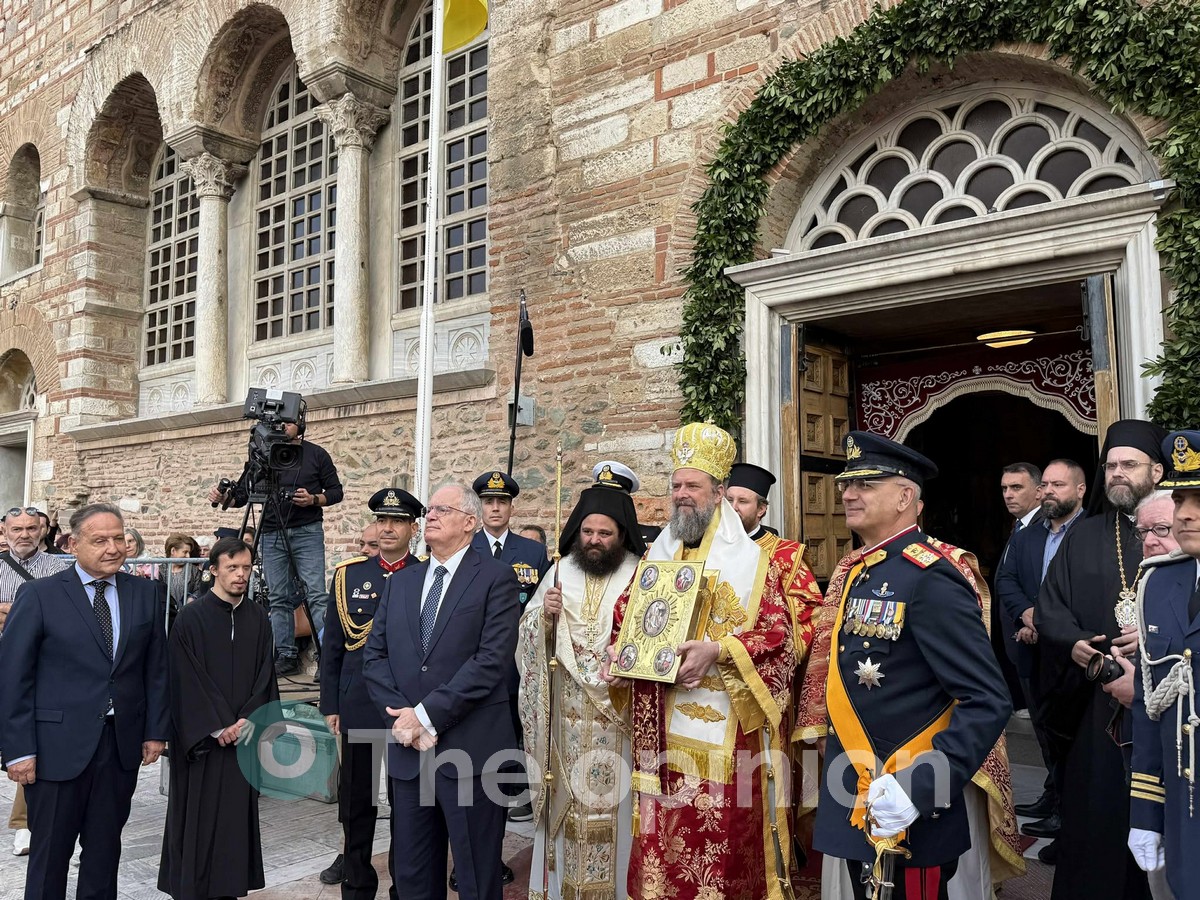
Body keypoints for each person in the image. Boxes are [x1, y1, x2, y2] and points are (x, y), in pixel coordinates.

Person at [600, 422, 820, 900]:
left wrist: (719, 651)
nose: (681, 495)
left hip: (727, 736)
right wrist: (618, 651)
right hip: (659, 729)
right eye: (676, 485)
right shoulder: (657, 554)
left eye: (692, 486)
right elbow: (626, 616)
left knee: (719, 853)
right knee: (660, 845)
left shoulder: (758, 563)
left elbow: (781, 636)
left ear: (718, 492)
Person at [813, 432, 1013, 900]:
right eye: (848, 483)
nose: (848, 493)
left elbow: (987, 700)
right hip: (860, 788)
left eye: (866, 483)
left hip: (911, 807)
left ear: (906, 496)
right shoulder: (863, 569)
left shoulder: (931, 577)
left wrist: (921, 788)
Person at [0, 502, 168, 900]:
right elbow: (13, 677)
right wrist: (18, 750)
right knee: (50, 855)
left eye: (118, 538)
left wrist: (155, 730)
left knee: (104, 851)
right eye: (100, 540)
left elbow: (156, 667)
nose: (113, 548)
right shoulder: (40, 595)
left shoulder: (146, 593)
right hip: (56, 749)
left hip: (120, 746)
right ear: (73, 544)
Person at [362, 482, 520, 900]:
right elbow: (374, 658)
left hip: (471, 755)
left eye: (441, 510)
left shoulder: (495, 578)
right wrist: (404, 719)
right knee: (412, 876)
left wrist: (425, 715)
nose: (429, 516)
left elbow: (491, 662)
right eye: (429, 510)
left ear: (470, 523)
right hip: (410, 755)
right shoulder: (401, 583)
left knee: (475, 876)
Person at [1036, 419, 1164, 900]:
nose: (1117, 474)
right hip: (1096, 707)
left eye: (1128, 464)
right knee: (1099, 818)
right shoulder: (1085, 535)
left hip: (1164, 705)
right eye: (1110, 465)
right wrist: (1072, 643)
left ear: (1156, 469)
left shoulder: (1180, 526)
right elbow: (1050, 605)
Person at [517, 482, 645, 900]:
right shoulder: (559, 571)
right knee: (568, 809)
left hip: (618, 720)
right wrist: (545, 620)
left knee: (615, 813)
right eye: (588, 531)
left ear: (621, 535)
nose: (594, 541)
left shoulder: (641, 575)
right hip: (564, 724)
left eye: (604, 533)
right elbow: (527, 636)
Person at [158, 537, 277, 900]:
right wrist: (219, 724)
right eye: (232, 568)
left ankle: (228, 888)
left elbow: (265, 674)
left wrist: (249, 719)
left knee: (233, 821)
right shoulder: (192, 617)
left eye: (246, 568)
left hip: (243, 737)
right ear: (213, 571)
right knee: (197, 816)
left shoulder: (257, 616)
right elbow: (184, 676)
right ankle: (191, 890)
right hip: (203, 741)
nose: (241, 575)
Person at [319, 488, 422, 896]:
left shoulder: (426, 573)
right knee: (356, 800)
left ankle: (404, 884)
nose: (388, 528)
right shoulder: (349, 575)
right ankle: (357, 882)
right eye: (382, 521)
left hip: (407, 706)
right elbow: (334, 647)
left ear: (413, 528)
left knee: (408, 803)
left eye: (397, 521)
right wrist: (331, 702)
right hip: (358, 702)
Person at [995, 458, 1087, 854]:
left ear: (1080, 490)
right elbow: (1006, 580)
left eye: (1057, 485)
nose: (1049, 491)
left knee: (1076, 743)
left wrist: (1046, 621)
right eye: (1046, 485)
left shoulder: (1091, 532)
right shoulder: (1026, 536)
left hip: (1076, 655)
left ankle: (1074, 824)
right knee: (1047, 734)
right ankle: (1059, 809)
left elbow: (1087, 590)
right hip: (1031, 649)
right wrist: (1027, 614)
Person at [208, 416, 344, 677]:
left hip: (307, 531)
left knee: (315, 594)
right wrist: (224, 497)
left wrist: (314, 498)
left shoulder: (316, 454)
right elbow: (242, 495)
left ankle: (326, 658)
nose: (283, 427)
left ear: (301, 425)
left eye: (289, 422)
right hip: (271, 532)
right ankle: (285, 655)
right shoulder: (261, 456)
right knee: (278, 597)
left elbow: (336, 492)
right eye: (278, 422)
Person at [1128, 431, 1200, 900]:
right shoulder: (1158, 584)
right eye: (1182, 499)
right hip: (1186, 809)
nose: (1186, 513)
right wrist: (1145, 815)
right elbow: (1148, 707)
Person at [470, 470, 551, 825]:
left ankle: (515, 793)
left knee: (519, 725)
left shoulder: (531, 551)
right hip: (475, 656)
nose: (495, 508)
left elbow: (542, 602)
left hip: (520, 658)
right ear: (480, 507)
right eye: (489, 502)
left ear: (511, 508)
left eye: (502, 502)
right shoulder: (465, 547)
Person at [0, 506, 72, 858]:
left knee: (28, 741)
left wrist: (13, 612)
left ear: (42, 530)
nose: (24, 534)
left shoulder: (62, 568)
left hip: (45, 666)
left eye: (31, 528)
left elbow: (68, 613)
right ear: (5, 531)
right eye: (17, 529)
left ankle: (25, 823)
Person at [592, 459, 662, 543]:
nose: (604, 501)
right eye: (600, 495)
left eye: (612, 497)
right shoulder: (583, 536)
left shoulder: (649, 535)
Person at [726, 461, 780, 540]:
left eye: (742, 501)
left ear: (760, 509)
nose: (733, 507)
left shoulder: (779, 549)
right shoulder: (711, 542)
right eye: (730, 500)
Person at [158, 533, 204, 621]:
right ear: (173, 551)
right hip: (165, 617)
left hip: (188, 616)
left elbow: (199, 589)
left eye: (189, 553)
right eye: (185, 552)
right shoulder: (160, 570)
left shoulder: (193, 570)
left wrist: (191, 599)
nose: (188, 556)